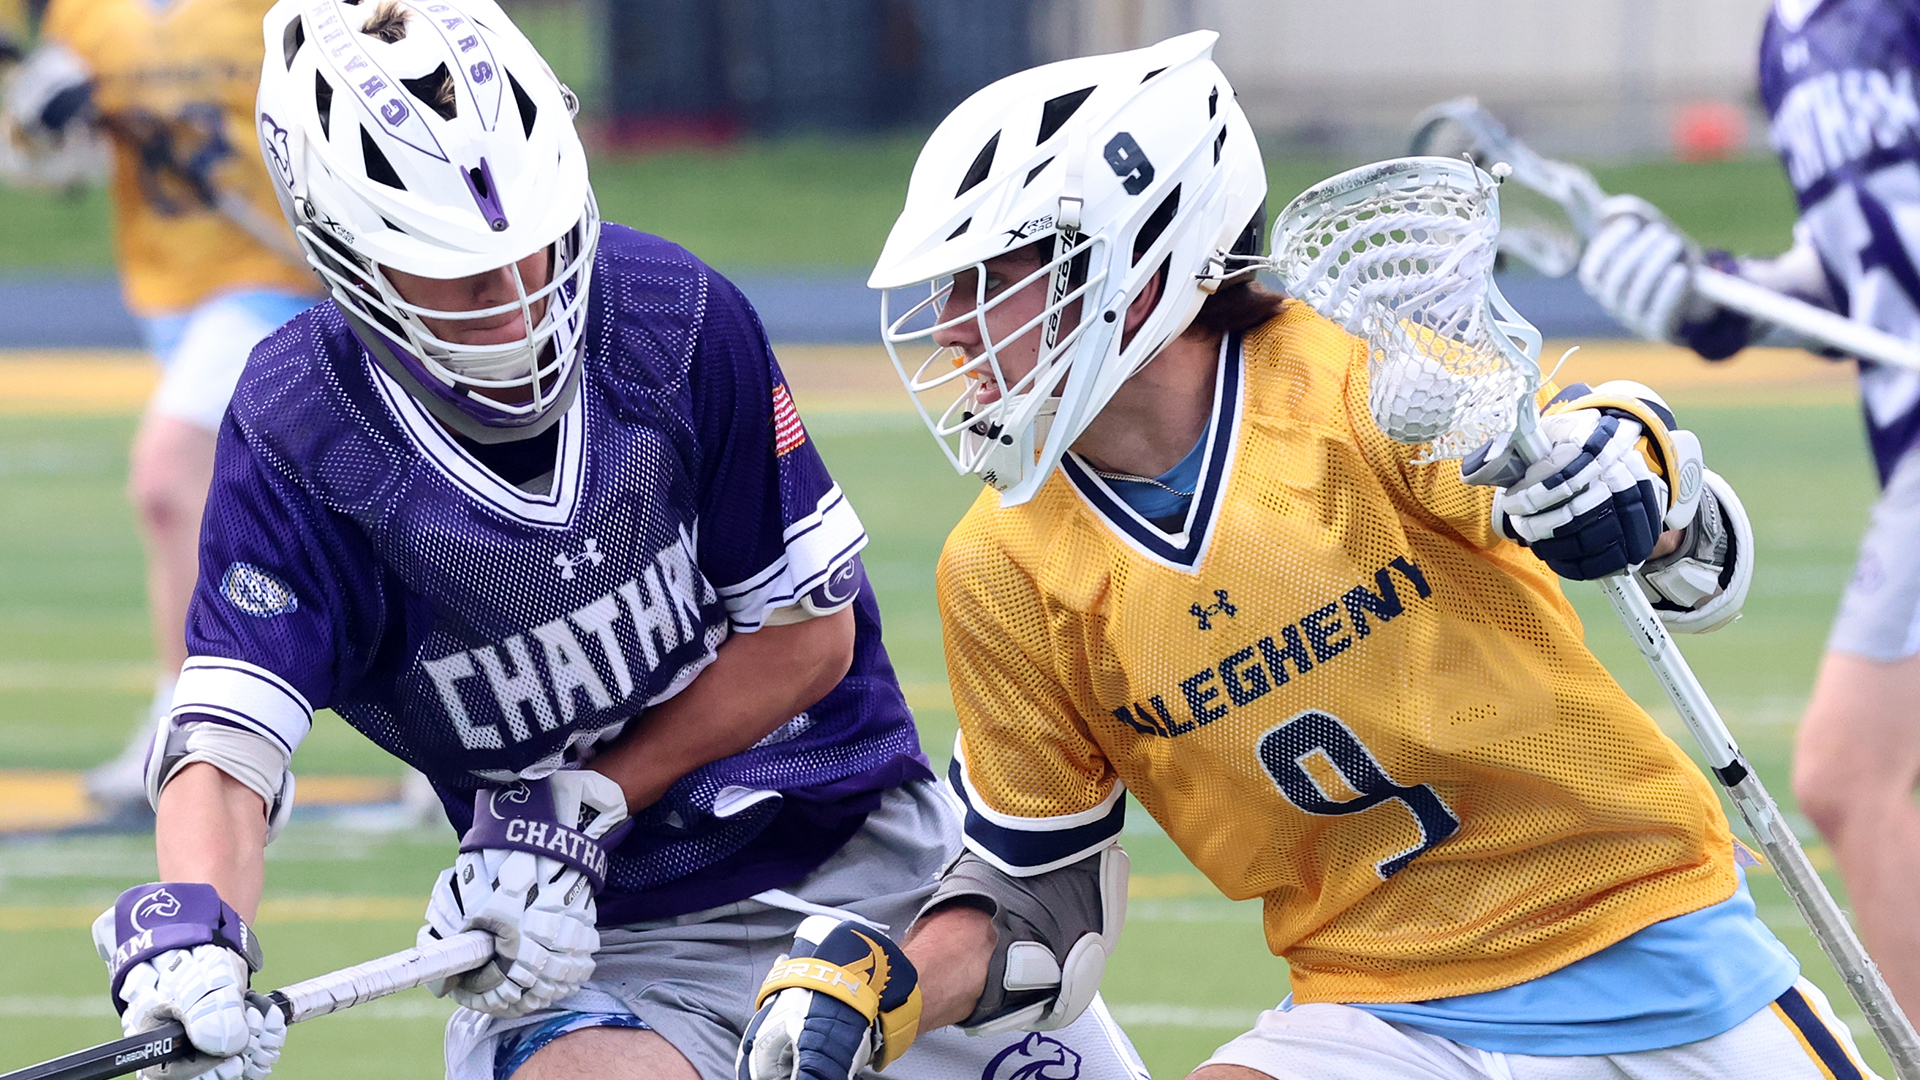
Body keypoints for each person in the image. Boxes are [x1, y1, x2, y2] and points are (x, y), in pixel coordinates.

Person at [736, 30, 1880, 1080]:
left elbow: (1644, 509)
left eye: (995, 277)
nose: (952, 327)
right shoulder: (1001, 568)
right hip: (1382, 1012)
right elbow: (1038, 899)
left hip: (1651, 958)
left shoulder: (1355, 377)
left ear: (1143, 262)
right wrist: (885, 989)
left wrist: (1637, 484)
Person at [85, 1, 1150, 1078]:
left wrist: (587, 798)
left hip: (867, 875)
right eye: (459, 271)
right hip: (599, 947)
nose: (517, 300)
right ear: (351, 255)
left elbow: (807, 640)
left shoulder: (671, 315)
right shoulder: (301, 428)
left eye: (539, 246)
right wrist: (198, 939)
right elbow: (227, 743)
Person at [1574, 0, 1920, 1021]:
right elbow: (1865, 268)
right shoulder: (1792, 35)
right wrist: (1722, 296)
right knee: (1849, 776)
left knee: (1848, 774)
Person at [0, 0, 320, 812]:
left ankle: (187, 727)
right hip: (166, 288)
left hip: (276, 280)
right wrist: (43, 122)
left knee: (166, 478)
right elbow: (54, 168)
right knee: (302, 508)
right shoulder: (85, 15)